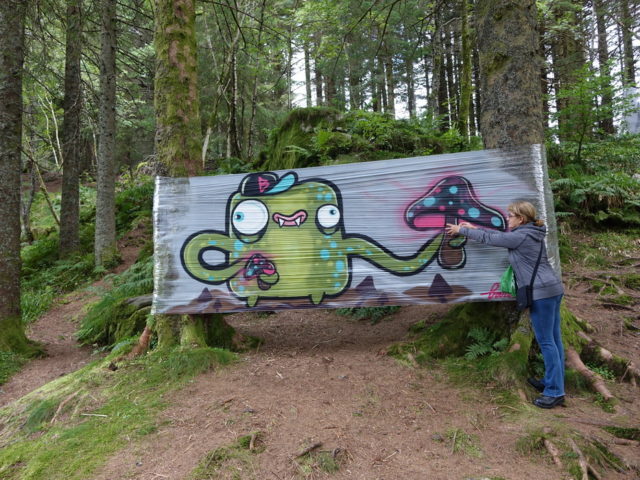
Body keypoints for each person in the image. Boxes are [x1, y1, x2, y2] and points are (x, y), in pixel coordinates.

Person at [445, 201, 565, 409]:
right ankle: (552, 381)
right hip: (552, 289)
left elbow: (493, 239)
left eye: (510, 216)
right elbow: (500, 236)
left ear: (521, 219)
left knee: (547, 342)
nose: (507, 219)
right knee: (554, 340)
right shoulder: (530, 233)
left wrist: (462, 230)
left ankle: (555, 392)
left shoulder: (521, 236)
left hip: (542, 293)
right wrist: (475, 228)